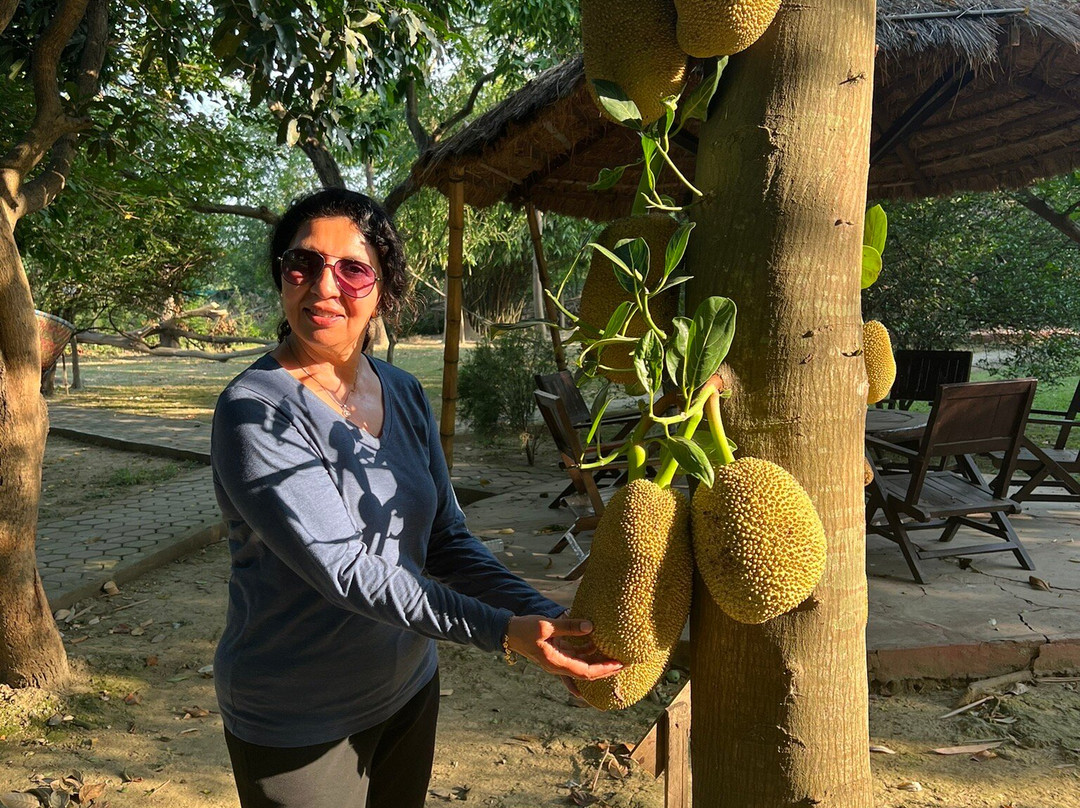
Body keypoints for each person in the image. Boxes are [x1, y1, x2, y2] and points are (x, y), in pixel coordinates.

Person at [210, 188, 620, 808]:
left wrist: (545, 618)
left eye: (352, 269)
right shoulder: (256, 412)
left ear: (383, 290)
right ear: (283, 279)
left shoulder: (402, 392)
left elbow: (445, 540)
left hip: (406, 685)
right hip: (296, 714)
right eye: (303, 265)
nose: (324, 287)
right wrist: (503, 631)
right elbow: (346, 571)